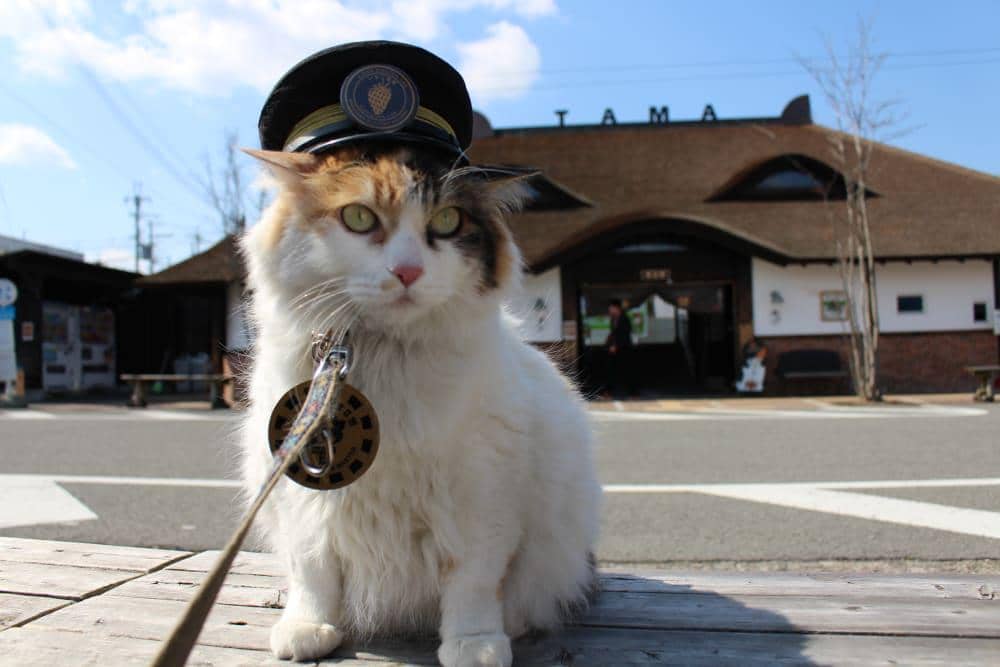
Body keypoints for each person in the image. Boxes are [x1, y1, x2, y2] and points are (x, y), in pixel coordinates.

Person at [605, 299, 633, 398]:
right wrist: (609, 341)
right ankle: (609, 391)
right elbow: (614, 333)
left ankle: (632, 392)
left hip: (624, 348)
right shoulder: (613, 319)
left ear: (617, 308)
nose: (610, 310)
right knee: (611, 369)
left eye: (611, 308)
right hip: (615, 349)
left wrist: (616, 345)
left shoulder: (624, 319)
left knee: (626, 370)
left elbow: (625, 335)